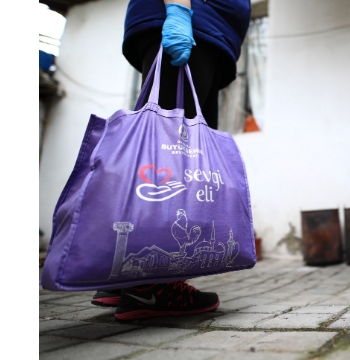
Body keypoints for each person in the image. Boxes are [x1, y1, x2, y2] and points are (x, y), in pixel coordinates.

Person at [90, 0, 251, 320]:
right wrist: (178, 10)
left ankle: (125, 281)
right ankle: (151, 287)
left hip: (205, 33)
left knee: (173, 154)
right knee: (169, 158)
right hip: (190, 23)